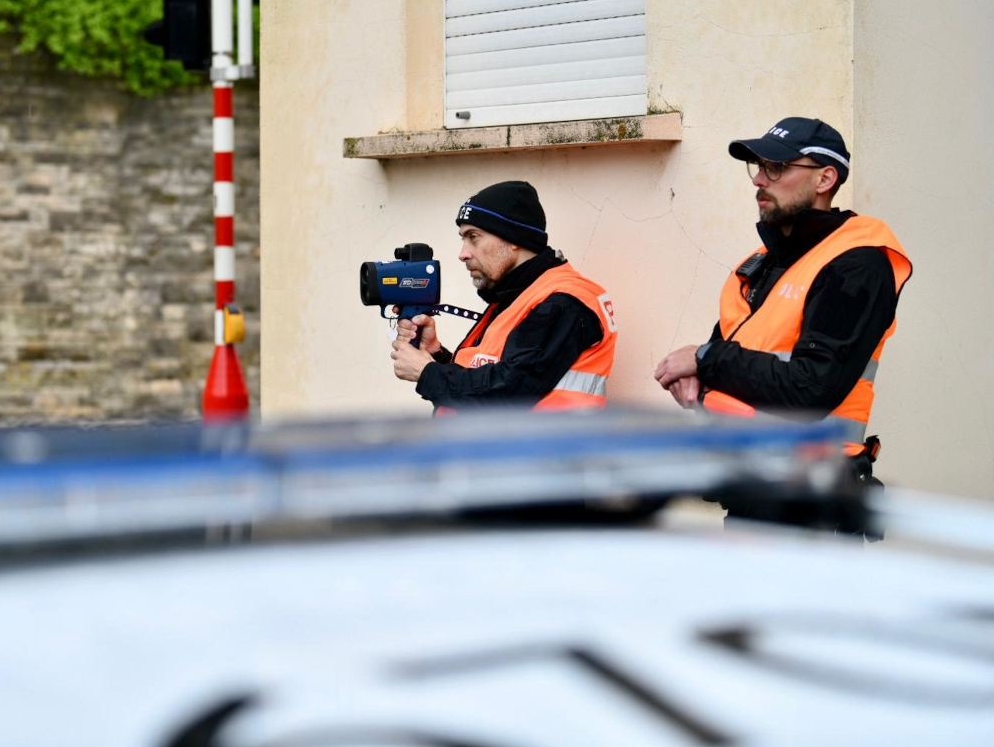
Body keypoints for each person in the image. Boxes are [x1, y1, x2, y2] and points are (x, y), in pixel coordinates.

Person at [653, 117, 912, 527]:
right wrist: (698, 377)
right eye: (758, 166)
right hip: (749, 490)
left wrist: (705, 359)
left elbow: (811, 387)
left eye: (776, 167)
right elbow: (722, 361)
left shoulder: (857, 265)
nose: (759, 179)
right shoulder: (759, 265)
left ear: (825, 178)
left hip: (810, 503)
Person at [390, 181, 617, 412]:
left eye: (474, 236)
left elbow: (509, 391)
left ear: (514, 238)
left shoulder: (564, 301)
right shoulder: (519, 295)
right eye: (463, 239)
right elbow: (488, 376)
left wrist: (427, 372)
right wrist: (436, 355)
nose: (463, 254)